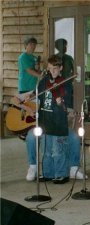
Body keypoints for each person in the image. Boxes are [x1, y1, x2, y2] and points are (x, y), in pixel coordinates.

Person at [55, 38, 86, 180]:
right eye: (62, 45)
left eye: (66, 45)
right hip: (59, 87)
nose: (65, 48)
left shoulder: (69, 58)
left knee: (68, 108)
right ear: (58, 47)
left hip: (68, 86)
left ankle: (72, 166)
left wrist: (72, 79)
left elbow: (74, 70)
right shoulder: (55, 59)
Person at [38, 55, 70, 184]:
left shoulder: (65, 83)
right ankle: (48, 173)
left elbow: (66, 102)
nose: (52, 72)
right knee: (46, 151)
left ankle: (61, 174)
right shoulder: (44, 81)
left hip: (58, 123)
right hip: (45, 121)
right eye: (50, 68)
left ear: (61, 68)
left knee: (58, 151)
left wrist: (60, 102)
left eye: (55, 69)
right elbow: (38, 95)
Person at [16, 37, 42, 181]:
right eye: (31, 44)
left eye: (34, 44)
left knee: (33, 111)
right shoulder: (23, 57)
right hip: (25, 87)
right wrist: (40, 74)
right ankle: (24, 130)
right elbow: (30, 71)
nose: (33, 46)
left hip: (34, 88)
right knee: (26, 109)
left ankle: (29, 128)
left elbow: (36, 69)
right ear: (26, 45)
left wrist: (39, 66)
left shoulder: (33, 57)